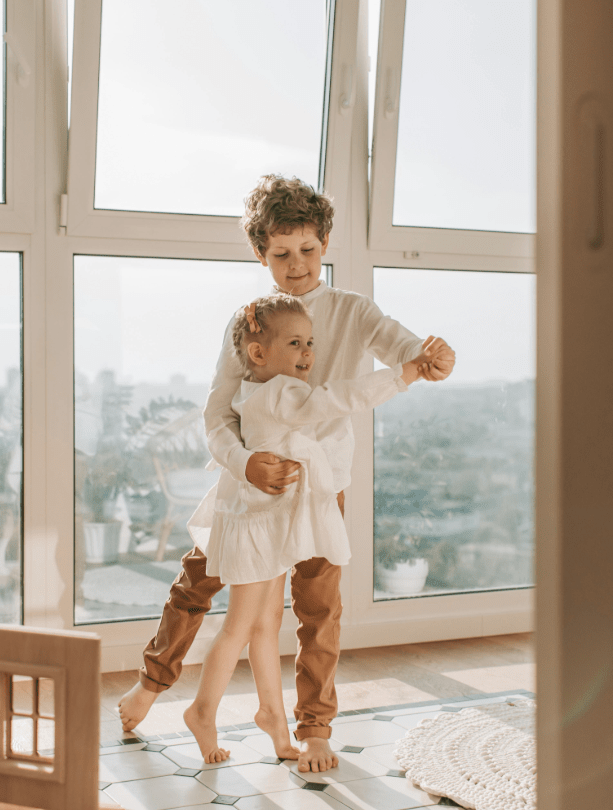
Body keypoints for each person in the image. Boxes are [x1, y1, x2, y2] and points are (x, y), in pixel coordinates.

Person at [118, 175, 456, 773]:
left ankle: (313, 727)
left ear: (325, 242)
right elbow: (218, 412)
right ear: (260, 254)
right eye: (280, 253)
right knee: (197, 583)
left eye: (306, 249)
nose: (295, 264)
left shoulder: (352, 310)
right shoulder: (250, 322)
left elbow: (403, 350)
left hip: (321, 488)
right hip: (248, 487)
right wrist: (244, 461)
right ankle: (151, 684)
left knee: (317, 609)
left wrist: (432, 357)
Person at [182, 293, 439, 763]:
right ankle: (202, 711)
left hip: (264, 519)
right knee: (239, 626)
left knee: (264, 625)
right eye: (296, 343)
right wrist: (404, 375)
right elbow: (341, 397)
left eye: (311, 343)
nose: (308, 354)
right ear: (259, 353)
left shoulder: (252, 386)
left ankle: (272, 720)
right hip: (259, 525)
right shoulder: (283, 392)